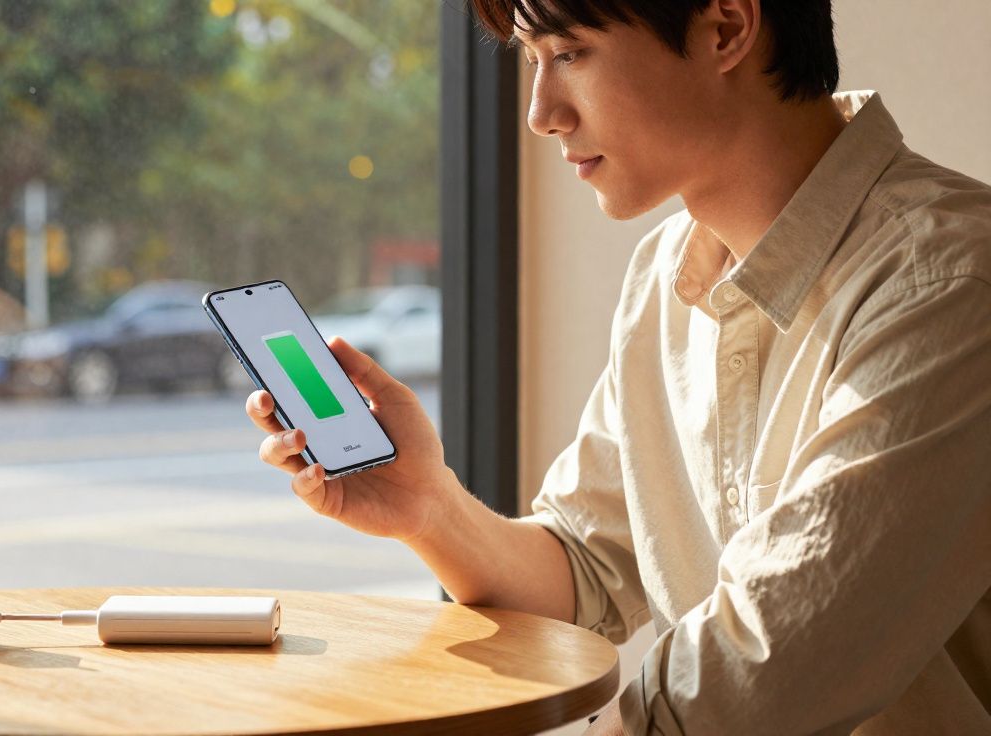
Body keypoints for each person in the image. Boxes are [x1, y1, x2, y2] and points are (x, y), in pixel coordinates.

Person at [245, 0, 990, 733]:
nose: (541, 112)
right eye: (532, 62)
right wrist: (428, 506)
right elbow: (584, 571)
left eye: (568, 53)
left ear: (727, 28)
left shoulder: (952, 282)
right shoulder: (664, 276)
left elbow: (773, 666)